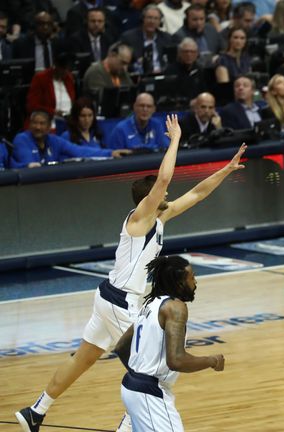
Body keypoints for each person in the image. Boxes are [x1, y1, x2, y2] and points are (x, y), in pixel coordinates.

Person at [14, 115, 246, 432]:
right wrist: (175, 139)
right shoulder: (139, 219)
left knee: (82, 359)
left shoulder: (159, 218)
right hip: (123, 303)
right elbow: (163, 181)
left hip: (107, 298)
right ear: (149, 199)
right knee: (151, 371)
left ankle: (35, 412)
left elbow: (197, 193)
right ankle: (127, 426)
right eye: (160, 195)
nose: (166, 196)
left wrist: (225, 169)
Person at [114, 256, 226, 432]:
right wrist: (212, 360)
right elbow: (176, 361)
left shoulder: (151, 303)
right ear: (179, 282)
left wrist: (138, 376)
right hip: (150, 392)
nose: (195, 282)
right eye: (192, 277)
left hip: (131, 387)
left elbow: (121, 347)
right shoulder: (175, 307)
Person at [10, 111, 130, 168]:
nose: (38, 127)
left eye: (42, 124)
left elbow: (79, 151)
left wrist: (110, 153)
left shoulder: (54, 140)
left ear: (48, 127)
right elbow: (32, 168)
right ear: (30, 125)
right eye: (35, 123)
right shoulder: (22, 139)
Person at [120, 4, 175, 75]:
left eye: (156, 18)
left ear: (160, 22)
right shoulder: (128, 38)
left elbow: (172, 63)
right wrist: (136, 65)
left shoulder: (167, 38)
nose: (152, 21)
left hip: (162, 77)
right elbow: (122, 64)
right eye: (149, 17)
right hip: (139, 78)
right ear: (143, 19)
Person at [107, 93, 172, 150]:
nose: (145, 109)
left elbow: (166, 147)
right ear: (134, 107)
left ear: (154, 109)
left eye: (149, 106)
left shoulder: (157, 125)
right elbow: (114, 155)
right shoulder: (121, 129)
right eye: (141, 106)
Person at [26, 52, 75, 119]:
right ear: (56, 65)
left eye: (69, 69)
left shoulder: (69, 78)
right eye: (63, 69)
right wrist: (53, 112)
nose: (66, 72)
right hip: (47, 119)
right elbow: (32, 106)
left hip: (68, 119)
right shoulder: (41, 78)